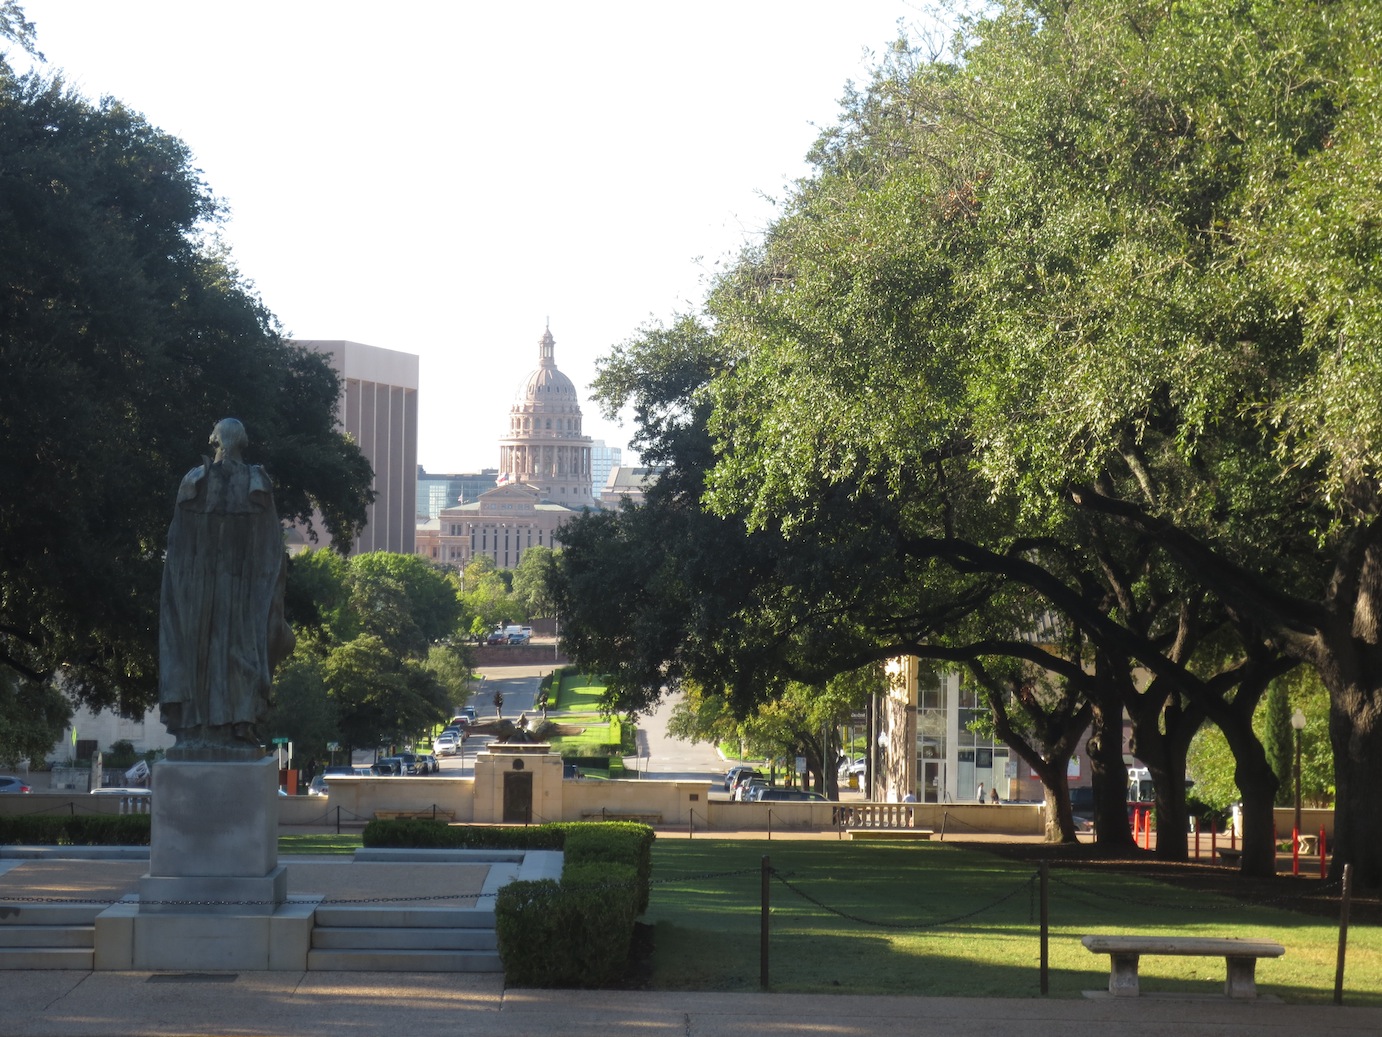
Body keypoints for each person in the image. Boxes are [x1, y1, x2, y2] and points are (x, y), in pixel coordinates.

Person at [158, 418, 294, 758]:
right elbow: (272, 548)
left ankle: (220, 727)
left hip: (216, 587)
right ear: (242, 441)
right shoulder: (247, 482)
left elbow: (177, 545)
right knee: (227, 656)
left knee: (210, 656)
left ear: (215, 439)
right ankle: (221, 727)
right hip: (226, 587)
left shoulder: (197, 481)